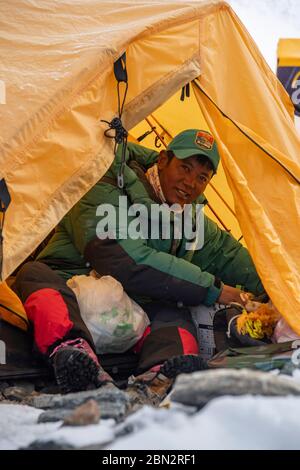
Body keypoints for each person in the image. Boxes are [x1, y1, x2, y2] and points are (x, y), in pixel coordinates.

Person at [12, 129, 264, 399]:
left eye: (202, 177)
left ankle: (162, 374)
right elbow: (121, 256)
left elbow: (233, 258)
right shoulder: (103, 177)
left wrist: (284, 288)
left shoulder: (191, 219)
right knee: (33, 273)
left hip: (132, 311)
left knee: (174, 310)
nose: (190, 182)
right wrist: (215, 288)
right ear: (163, 159)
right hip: (72, 286)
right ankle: (74, 357)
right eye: (184, 167)